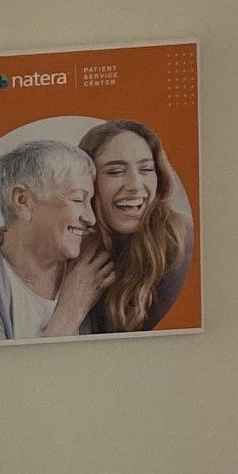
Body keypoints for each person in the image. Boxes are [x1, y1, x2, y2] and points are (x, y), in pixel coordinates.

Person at [76, 118, 191, 332]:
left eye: (146, 169)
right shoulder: (80, 242)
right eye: (115, 172)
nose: (135, 186)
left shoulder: (178, 238)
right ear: (86, 182)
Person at [0, 140, 103, 341]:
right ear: (23, 201)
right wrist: (71, 311)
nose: (91, 218)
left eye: (90, 201)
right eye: (77, 199)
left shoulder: (93, 264)